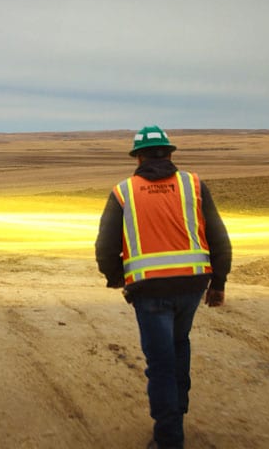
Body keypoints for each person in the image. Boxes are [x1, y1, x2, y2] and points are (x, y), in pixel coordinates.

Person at [95, 125, 232, 449]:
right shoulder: (193, 185)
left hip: (149, 291)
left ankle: (169, 438)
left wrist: (117, 278)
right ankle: (177, 408)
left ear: (138, 157)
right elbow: (219, 238)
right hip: (191, 286)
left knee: (160, 363)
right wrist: (218, 284)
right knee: (179, 344)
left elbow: (104, 246)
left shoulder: (124, 191)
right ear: (169, 153)